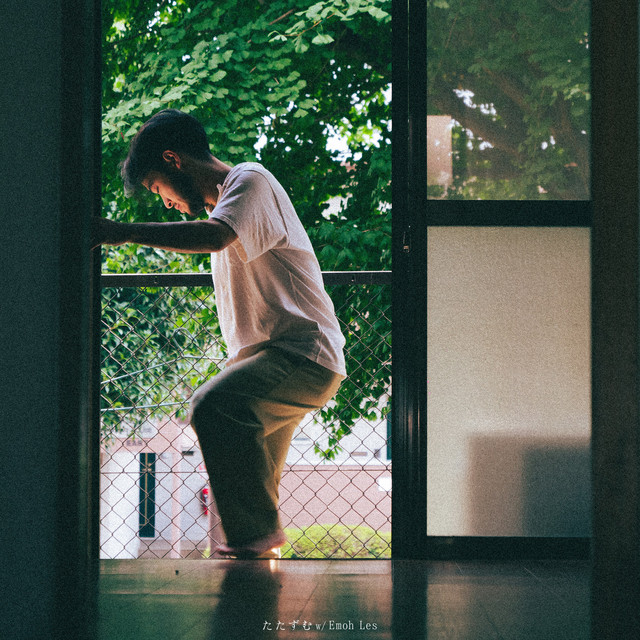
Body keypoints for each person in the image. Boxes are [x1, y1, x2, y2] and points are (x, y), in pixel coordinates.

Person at [93, 109, 346, 558]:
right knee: (254, 507)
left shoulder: (250, 182)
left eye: (158, 188)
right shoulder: (226, 207)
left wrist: (121, 233)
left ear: (173, 160)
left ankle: (253, 544)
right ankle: (255, 570)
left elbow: (213, 236)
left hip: (303, 354)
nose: (166, 202)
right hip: (275, 360)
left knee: (212, 406)